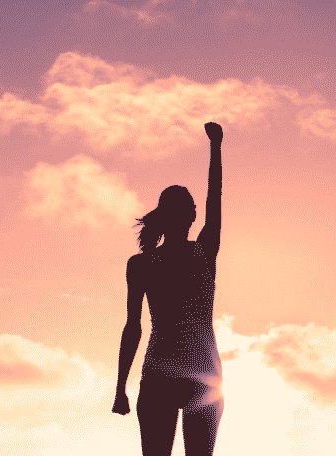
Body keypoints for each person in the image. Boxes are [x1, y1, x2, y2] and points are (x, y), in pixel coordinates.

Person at [112, 122, 224, 456]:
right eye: (186, 207)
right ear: (188, 215)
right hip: (186, 376)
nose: (191, 211)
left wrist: (216, 148)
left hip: (191, 376)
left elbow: (214, 198)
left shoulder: (199, 252)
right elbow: (133, 326)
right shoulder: (145, 263)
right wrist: (120, 388)